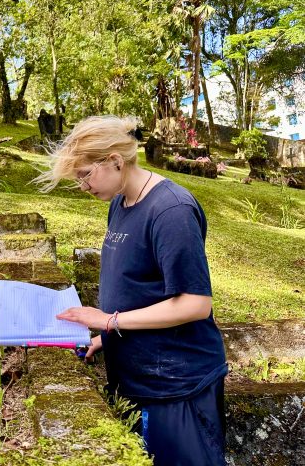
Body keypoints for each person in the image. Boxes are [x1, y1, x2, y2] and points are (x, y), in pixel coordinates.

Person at [40, 115, 227, 466]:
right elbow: (137, 284)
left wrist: (110, 321)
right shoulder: (120, 202)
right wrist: (105, 337)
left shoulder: (171, 210)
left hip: (176, 384)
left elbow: (196, 303)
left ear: (115, 160)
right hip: (136, 374)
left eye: (85, 175)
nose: (82, 186)